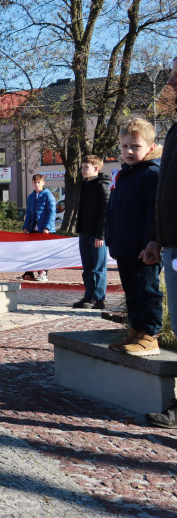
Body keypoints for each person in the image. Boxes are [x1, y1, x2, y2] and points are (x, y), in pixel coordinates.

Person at [105, 118, 162, 356]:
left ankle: (150, 335)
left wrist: (151, 241)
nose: (128, 151)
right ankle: (136, 331)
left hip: (142, 247)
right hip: (124, 245)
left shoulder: (151, 173)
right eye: (124, 146)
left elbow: (154, 212)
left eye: (135, 146)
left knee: (147, 290)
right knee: (131, 290)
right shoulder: (126, 173)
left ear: (150, 147)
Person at [144, 55, 177, 429]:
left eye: (176, 76)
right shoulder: (174, 131)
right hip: (170, 246)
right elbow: (166, 193)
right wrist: (156, 238)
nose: (170, 83)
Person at [72, 155, 110, 309]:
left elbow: (106, 212)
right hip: (85, 233)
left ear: (96, 168)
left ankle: (99, 298)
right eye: (82, 167)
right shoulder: (84, 185)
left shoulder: (102, 186)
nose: (82, 170)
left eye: (86, 167)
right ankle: (88, 296)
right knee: (87, 267)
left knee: (99, 267)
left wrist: (100, 235)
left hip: (97, 235)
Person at [22, 174, 56, 281]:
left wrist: (47, 227)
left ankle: (43, 273)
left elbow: (52, 213)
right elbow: (28, 213)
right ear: (32, 183)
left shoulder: (48, 195)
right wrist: (25, 227)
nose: (37, 185)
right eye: (35, 183)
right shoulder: (31, 196)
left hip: (45, 230)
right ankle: (29, 273)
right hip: (33, 229)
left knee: (44, 252)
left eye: (38, 182)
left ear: (43, 183)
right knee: (32, 252)